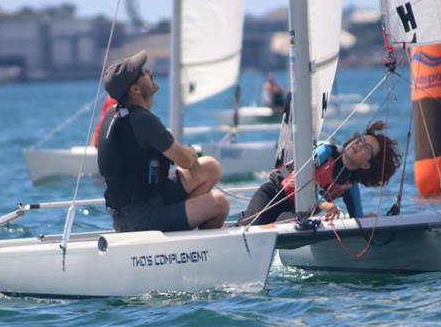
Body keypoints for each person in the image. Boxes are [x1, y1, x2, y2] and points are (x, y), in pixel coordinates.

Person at [97, 50, 229, 232]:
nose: (149, 72)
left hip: (142, 203)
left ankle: (183, 226)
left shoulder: (117, 114)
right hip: (140, 218)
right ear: (135, 90)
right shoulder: (142, 120)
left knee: (210, 167)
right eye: (143, 72)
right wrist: (190, 150)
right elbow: (187, 161)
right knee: (219, 203)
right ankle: (187, 239)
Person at [238, 121, 401, 226]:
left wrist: (371, 220)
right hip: (273, 195)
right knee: (252, 227)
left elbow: (356, 219)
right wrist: (324, 204)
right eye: (361, 140)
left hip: (296, 213)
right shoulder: (326, 151)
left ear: (366, 165)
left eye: (366, 148)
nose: (358, 144)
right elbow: (302, 178)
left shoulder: (350, 185)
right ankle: (241, 221)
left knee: (296, 225)